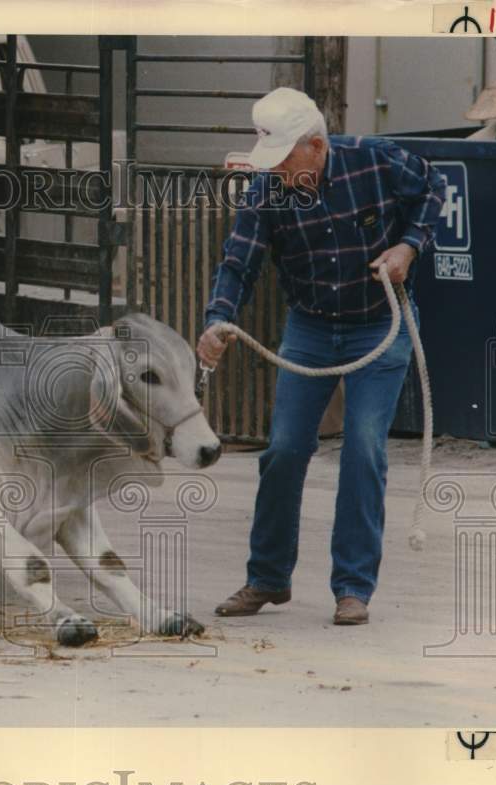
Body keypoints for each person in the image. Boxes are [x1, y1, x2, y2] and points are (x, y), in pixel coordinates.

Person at [197, 87, 446, 625]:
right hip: (310, 326)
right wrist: (218, 318)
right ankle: (267, 577)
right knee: (284, 448)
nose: (281, 173)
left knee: (363, 448)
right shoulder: (268, 191)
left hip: (381, 322)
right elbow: (238, 262)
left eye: (288, 159)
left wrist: (408, 246)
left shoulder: (373, 157)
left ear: (315, 145)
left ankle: (353, 587)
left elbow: (433, 186)